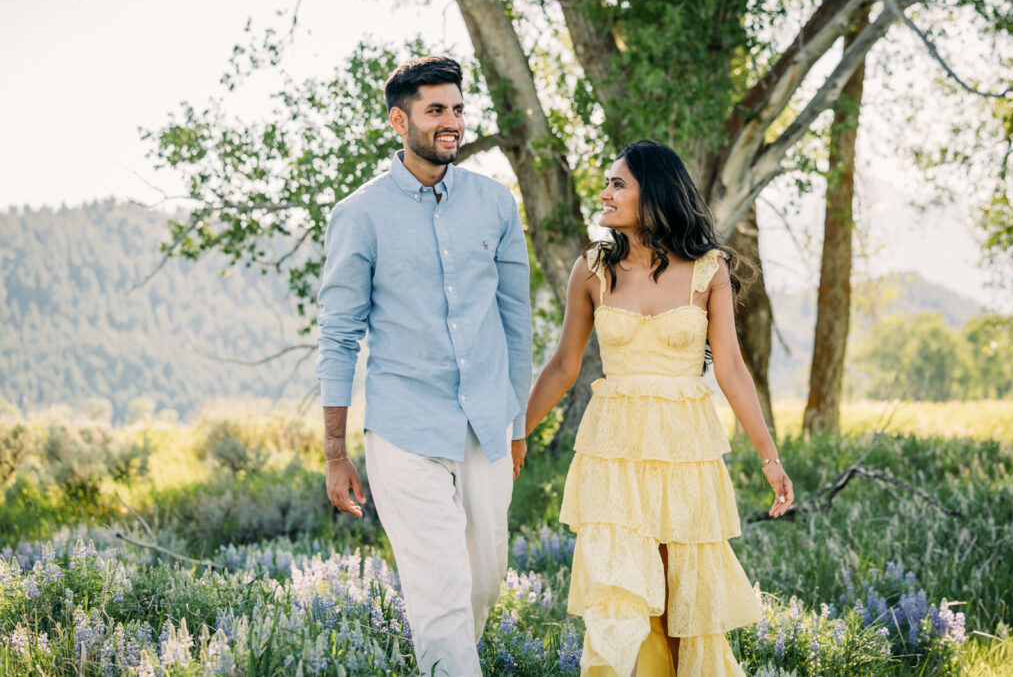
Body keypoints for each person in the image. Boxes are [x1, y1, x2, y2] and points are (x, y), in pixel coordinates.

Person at [524, 140, 794, 676]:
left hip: (684, 454)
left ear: (654, 195)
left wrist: (770, 457)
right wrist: (514, 434)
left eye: (617, 184)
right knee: (620, 597)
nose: (604, 193)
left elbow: (732, 369)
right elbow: (562, 367)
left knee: (681, 600)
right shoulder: (592, 270)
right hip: (613, 454)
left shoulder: (708, 270)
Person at [316, 55, 532, 676]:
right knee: (439, 591)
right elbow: (338, 336)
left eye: (458, 109)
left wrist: (514, 423)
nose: (452, 123)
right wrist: (335, 451)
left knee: (483, 584)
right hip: (405, 430)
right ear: (399, 120)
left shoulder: (495, 204)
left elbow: (517, 325)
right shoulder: (360, 214)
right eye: (436, 110)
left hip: (486, 426)